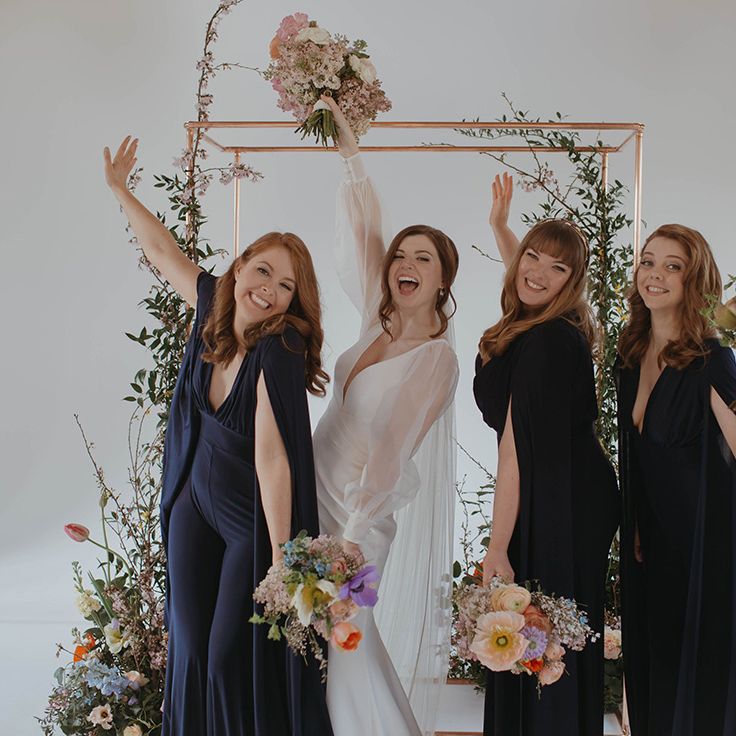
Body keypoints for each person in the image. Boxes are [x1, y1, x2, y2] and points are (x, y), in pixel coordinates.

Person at [103, 136, 333, 736]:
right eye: (263, 271)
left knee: (228, 655)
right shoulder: (211, 308)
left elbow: (274, 457)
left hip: (246, 519)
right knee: (189, 646)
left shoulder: (281, 346)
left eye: (286, 285)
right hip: (190, 505)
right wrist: (121, 191)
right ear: (240, 268)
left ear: (293, 301)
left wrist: (282, 557)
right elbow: (161, 250)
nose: (270, 289)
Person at [312, 96, 459, 736]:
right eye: (402, 255)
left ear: (443, 281)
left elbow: (391, 453)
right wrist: (349, 152)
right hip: (314, 487)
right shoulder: (379, 320)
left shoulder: (434, 358)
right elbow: (366, 231)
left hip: (356, 514)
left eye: (423, 259)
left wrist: (351, 537)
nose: (405, 265)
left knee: (344, 637)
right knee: (318, 639)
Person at [474, 173, 619, 735]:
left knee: (543, 629)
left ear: (572, 283)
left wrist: (497, 546)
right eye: (532, 257)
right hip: (558, 485)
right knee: (537, 625)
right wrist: (501, 228)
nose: (537, 271)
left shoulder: (546, 341)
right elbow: (530, 278)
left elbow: (513, 452)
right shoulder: (537, 321)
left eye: (558, 268)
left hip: (562, 497)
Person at [616, 224, 736, 736]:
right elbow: (637, 459)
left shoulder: (712, 360)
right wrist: (635, 526)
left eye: (672, 266)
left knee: (703, 682)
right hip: (652, 544)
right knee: (656, 672)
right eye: (648, 261)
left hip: (707, 549)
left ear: (694, 280)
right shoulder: (630, 354)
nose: (655, 274)